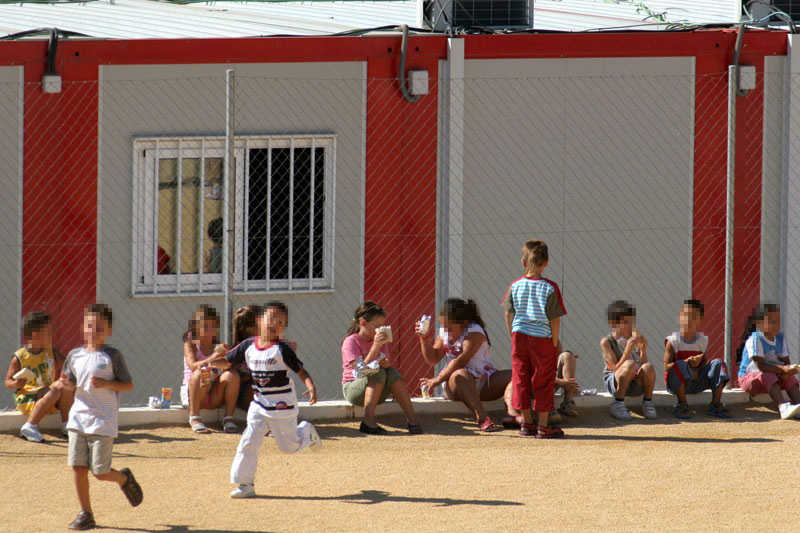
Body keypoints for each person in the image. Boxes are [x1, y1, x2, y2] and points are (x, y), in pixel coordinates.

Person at [209, 302, 321, 499]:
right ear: (260, 321)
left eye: (281, 322)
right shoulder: (248, 346)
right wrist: (211, 362)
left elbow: (301, 371)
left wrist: (311, 387)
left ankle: (305, 432)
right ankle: (245, 484)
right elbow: (226, 362)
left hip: (282, 406)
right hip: (259, 405)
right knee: (248, 441)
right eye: (272, 318)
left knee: (288, 448)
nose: (276, 324)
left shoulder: (282, 349)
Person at [60, 304, 142, 530]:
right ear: (82, 327)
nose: (93, 331)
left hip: (103, 422)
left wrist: (107, 383)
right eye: (89, 326)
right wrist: (64, 385)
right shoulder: (74, 355)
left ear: (109, 331)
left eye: (99, 328)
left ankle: (124, 479)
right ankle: (86, 513)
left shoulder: (112, 356)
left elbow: (128, 384)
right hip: (78, 419)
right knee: (78, 467)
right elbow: (71, 383)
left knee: (100, 472)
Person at [502, 239, 567, 438]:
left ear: (523, 262)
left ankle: (527, 422)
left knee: (520, 377)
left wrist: (512, 334)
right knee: (543, 379)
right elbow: (554, 318)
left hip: (519, 336)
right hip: (542, 338)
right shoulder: (550, 288)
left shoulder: (515, 286)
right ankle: (543, 425)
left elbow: (508, 313)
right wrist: (554, 341)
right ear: (545, 262)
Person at [417, 298, 511, 432]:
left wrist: (437, 379)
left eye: (450, 327)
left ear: (464, 323)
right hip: (457, 383)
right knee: (460, 374)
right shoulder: (444, 332)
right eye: (443, 326)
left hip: (484, 382)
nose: (445, 330)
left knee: (516, 376)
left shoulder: (474, 331)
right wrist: (424, 340)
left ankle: (513, 414)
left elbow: (461, 360)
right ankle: (482, 418)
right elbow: (433, 359)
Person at [341, 302, 422, 435]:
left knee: (392, 372)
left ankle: (412, 419)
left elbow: (385, 364)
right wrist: (375, 347)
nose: (379, 330)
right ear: (363, 322)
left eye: (382, 326)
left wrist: (386, 363)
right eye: (376, 326)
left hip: (377, 389)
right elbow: (359, 371)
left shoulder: (380, 340)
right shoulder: (351, 342)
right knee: (376, 372)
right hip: (354, 389)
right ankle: (368, 421)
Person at [5, 311, 73, 442]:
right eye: (48, 332)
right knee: (56, 388)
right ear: (35, 335)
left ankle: (67, 425)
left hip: (49, 395)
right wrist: (16, 384)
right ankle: (30, 426)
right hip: (28, 398)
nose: (51, 335)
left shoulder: (51, 351)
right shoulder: (20, 356)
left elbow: (67, 366)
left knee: (64, 386)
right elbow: (8, 381)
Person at [664, 299, 730, 419]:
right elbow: (667, 367)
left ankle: (715, 404)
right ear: (680, 318)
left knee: (718, 363)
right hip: (678, 384)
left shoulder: (702, 340)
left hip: (696, 382)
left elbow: (704, 363)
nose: (689, 320)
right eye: (686, 315)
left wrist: (698, 365)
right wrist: (686, 362)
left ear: (700, 320)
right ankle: (682, 405)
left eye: (694, 317)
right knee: (679, 364)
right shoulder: (673, 341)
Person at [181, 305, 240, 433]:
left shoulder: (217, 346)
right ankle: (194, 417)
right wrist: (213, 358)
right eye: (205, 326)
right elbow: (193, 366)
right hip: (195, 395)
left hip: (213, 395)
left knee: (232, 375)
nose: (209, 331)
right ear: (196, 327)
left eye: (213, 327)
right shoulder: (190, 343)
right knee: (201, 373)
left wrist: (222, 358)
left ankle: (228, 418)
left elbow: (227, 365)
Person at [737, 303, 800, 419]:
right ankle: (783, 407)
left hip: (773, 378)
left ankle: (798, 404)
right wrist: (783, 369)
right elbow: (761, 366)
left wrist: (788, 371)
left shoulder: (780, 338)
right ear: (760, 324)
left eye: (777, 321)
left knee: (789, 377)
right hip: (749, 379)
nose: (776, 325)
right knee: (767, 374)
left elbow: (786, 362)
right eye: (771, 321)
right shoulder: (755, 339)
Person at [600, 300, 657, 420]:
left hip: (634, 381)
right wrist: (627, 351)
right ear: (614, 323)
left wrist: (643, 349)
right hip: (616, 381)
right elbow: (614, 368)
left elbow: (643, 365)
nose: (630, 326)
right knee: (629, 364)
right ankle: (618, 403)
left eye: (632, 322)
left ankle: (647, 402)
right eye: (626, 322)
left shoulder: (633, 338)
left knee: (648, 367)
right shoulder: (607, 342)